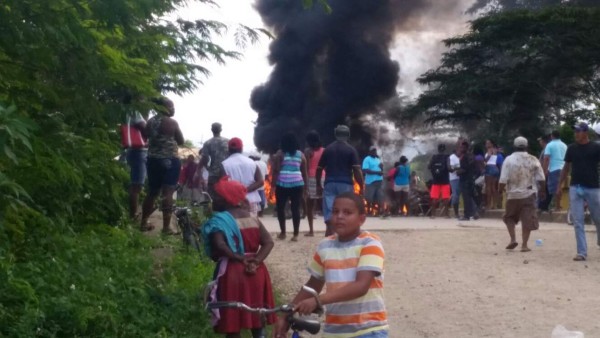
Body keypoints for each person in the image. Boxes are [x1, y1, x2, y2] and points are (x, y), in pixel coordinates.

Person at [273, 192, 388, 338]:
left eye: (347, 212)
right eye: (335, 211)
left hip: (368, 329)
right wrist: (286, 314)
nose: (339, 216)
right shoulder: (325, 246)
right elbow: (313, 285)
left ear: (362, 219)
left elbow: (361, 286)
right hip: (334, 330)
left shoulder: (370, 243)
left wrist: (317, 301)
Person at [201, 177, 275, 338]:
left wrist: (239, 258)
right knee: (257, 316)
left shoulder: (220, 221)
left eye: (218, 196)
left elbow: (220, 245)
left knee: (232, 322)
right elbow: (268, 242)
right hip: (256, 272)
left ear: (226, 199)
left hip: (232, 272)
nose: (215, 199)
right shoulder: (253, 218)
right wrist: (256, 261)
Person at [556, 122, 600, 261]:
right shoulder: (571, 148)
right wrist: (560, 185)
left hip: (593, 187)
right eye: (575, 131)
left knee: (598, 218)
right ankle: (582, 252)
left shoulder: (596, 147)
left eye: (578, 131)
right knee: (578, 220)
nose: (576, 134)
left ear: (586, 133)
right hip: (575, 187)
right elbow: (566, 167)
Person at [139, 97, 184, 233]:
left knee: (152, 192)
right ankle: (166, 227)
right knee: (168, 192)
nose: (173, 109)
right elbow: (181, 141)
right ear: (163, 108)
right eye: (171, 106)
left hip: (153, 160)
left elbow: (145, 136)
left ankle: (143, 222)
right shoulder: (172, 123)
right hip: (170, 160)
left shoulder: (150, 122)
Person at [498, 137, 545, 252]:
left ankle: (513, 239)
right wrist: (543, 191)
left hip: (512, 194)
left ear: (514, 146)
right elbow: (541, 178)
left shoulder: (508, 160)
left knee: (509, 217)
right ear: (526, 146)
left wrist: (500, 191)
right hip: (529, 194)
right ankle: (524, 245)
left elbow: (503, 179)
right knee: (527, 219)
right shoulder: (533, 159)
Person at [316, 125, 364, 236]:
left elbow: (319, 169)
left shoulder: (328, 149)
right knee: (345, 211)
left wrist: (319, 184)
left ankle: (329, 239)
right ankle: (343, 238)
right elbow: (356, 170)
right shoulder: (351, 150)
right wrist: (361, 186)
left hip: (330, 183)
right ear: (348, 135)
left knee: (330, 213)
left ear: (335, 134)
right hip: (345, 184)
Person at [271, 133, 308, 241]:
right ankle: (295, 235)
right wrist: (305, 187)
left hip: (282, 184)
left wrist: (273, 185)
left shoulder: (280, 154)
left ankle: (283, 233)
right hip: (297, 184)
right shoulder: (301, 155)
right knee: (295, 209)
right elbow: (304, 172)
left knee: (281, 209)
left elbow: (276, 170)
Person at [220, 138, 264, 216]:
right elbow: (260, 182)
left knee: (236, 226)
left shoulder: (224, 164)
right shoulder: (252, 163)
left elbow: (223, 186)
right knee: (251, 225)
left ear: (229, 149)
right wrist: (245, 190)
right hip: (251, 200)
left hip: (233, 203)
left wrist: (239, 192)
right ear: (241, 149)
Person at [124, 111, 147, 220]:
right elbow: (145, 128)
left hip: (133, 150)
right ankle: (133, 216)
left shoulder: (129, 111)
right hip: (138, 151)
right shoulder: (135, 112)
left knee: (136, 184)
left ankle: (133, 213)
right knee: (136, 185)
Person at [304, 130, 325, 236]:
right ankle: (329, 229)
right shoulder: (324, 150)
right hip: (323, 177)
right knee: (325, 204)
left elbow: (306, 167)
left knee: (310, 205)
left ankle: (311, 230)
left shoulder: (308, 151)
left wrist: (305, 182)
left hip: (312, 178)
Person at [199, 122, 229, 197]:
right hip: (226, 173)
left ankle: (213, 208)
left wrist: (207, 167)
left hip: (213, 174)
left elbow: (205, 158)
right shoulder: (228, 141)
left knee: (212, 197)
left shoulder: (207, 143)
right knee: (225, 196)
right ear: (221, 129)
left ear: (211, 130)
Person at [540, 130, 567, 211]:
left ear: (552, 136)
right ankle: (558, 205)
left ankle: (557, 206)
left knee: (555, 188)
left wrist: (544, 171)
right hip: (563, 168)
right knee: (559, 186)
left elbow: (546, 159)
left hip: (554, 168)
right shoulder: (564, 145)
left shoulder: (549, 145)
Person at [456, 141, 479, 221]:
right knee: (469, 197)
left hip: (465, 179)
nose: (460, 148)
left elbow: (465, 168)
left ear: (466, 148)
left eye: (462, 147)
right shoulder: (470, 156)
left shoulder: (465, 157)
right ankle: (474, 213)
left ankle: (467, 215)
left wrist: (458, 171)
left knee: (466, 198)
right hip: (470, 179)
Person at [428, 144, 450, 218]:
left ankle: (433, 214)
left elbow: (429, 166)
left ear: (438, 149)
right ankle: (446, 214)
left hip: (435, 180)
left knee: (434, 198)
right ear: (444, 149)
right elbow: (449, 167)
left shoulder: (434, 157)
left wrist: (435, 172)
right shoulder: (447, 157)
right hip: (445, 180)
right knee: (446, 198)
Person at [362, 146, 384, 216]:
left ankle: (378, 212)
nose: (374, 152)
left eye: (375, 151)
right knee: (369, 197)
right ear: (370, 152)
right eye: (373, 151)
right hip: (370, 181)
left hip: (379, 181)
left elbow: (380, 169)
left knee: (378, 197)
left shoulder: (377, 159)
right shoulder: (367, 159)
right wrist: (377, 172)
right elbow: (365, 170)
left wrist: (381, 168)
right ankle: (369, 211)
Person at [484, 139, 503, 210]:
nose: (486, 145)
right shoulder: (495, 151)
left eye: (488, 143)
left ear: (491, 144)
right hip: (495, 168)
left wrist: (485, 160)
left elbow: (486, 160)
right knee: (494, 188)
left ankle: (489, 204)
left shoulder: (490, 150)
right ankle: (494, 205)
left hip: (489, 168)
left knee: (488, 188)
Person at [249, 152, 268, 217]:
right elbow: (266, 174)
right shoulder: (264, 164)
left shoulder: (253, 163)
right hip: (262, 185)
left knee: (255, 200)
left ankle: (256, 213)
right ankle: (261, 213)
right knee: (262, 200)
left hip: (254, 185)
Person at [448, 146, 462, 218]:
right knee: (455, 195)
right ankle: (456, 213)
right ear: (456, 150)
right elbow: (451, 168)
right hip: (454, 178)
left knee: (460, 195)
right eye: (460, 150)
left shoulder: (462, 157)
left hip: (461, 178)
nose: (461, 151)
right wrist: (459, 168)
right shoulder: (452, 157)